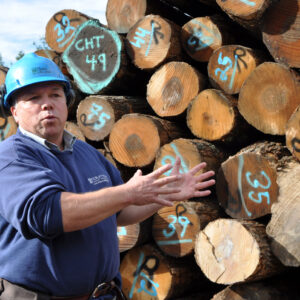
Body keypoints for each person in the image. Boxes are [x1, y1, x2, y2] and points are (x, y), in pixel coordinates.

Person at [0, 53, 216, 300]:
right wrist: (127, 192)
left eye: (55, 95)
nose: (47, 104)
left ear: (66, 102)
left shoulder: (86, 152)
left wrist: (161, 195)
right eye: (33, 98)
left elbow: (119, 213)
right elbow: (46, 214)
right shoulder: (11, 157)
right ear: (15, 111)